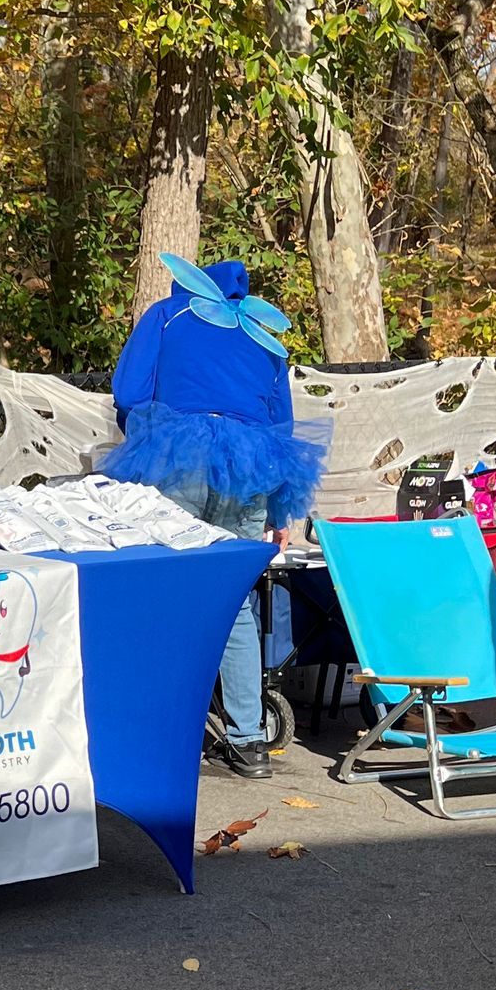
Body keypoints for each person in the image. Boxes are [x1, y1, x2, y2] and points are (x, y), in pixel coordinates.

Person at [105, 254, 326, 779]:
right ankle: (249, 739)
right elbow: (282, 426)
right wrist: (279, 508)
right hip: (250, 469)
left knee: (166, 588)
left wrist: (148, 434)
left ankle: (159, 730)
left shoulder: (168, 314)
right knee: (236, 602)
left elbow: (128, 393)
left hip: (177, 457)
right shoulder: (262, 335)